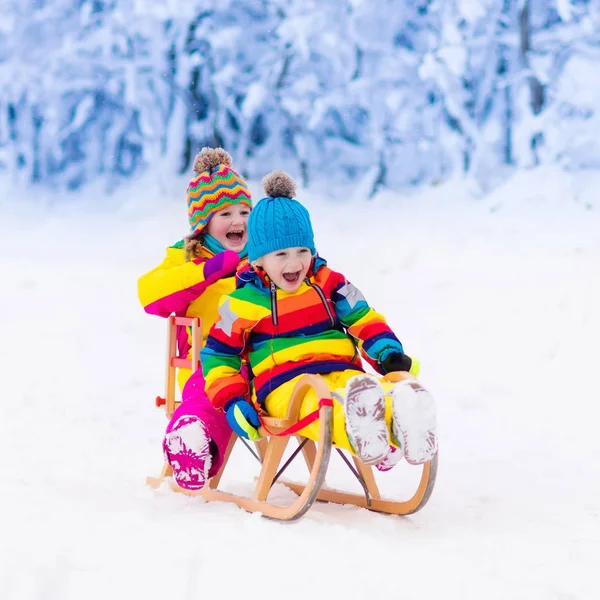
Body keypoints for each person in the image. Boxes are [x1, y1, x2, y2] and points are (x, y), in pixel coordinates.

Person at [200, 170, 437, 470]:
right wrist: (233, 400)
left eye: (303, 251)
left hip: (341, 369)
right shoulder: (241, 303)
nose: (294, 262)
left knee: (364, 390)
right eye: (281, 254)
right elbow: (219, 354)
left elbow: (363, 317)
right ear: (258, 259)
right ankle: (364, 434)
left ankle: (406, 419)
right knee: (321, 406)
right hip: (284, 385)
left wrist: (387, 352)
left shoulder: (330, 283)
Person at [138, 147, 252, 490]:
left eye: (245, 211)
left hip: (269, 354)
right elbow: (151, 294)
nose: (239, 221)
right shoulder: (187, 256)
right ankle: (193, 441)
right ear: (203, 223)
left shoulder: (263, 254)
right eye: (226, 213)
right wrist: (207, 270)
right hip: (211, 358)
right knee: (214, 388)